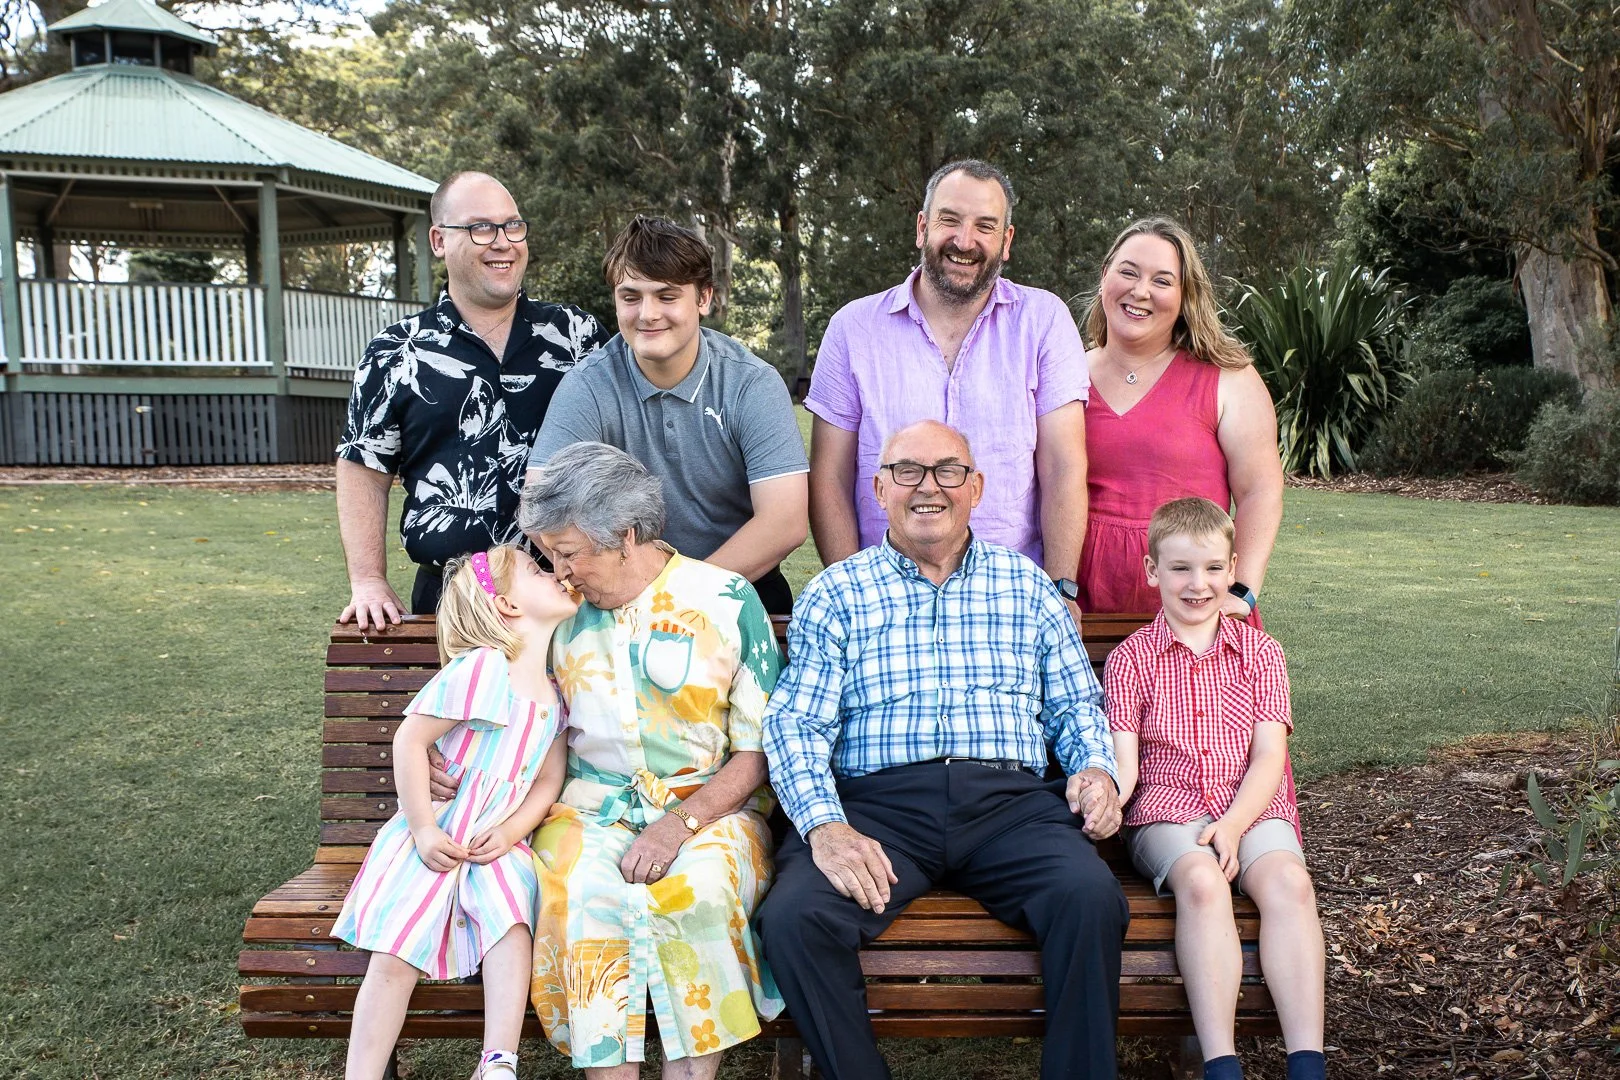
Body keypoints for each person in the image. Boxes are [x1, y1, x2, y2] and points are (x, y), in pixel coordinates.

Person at [757, 419, 1128, 1080]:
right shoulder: (838, 593)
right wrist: (824, 825)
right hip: (880, 812)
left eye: (948, 471)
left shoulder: (1027, 586)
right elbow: (797, 725)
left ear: (976, 487)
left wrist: (1095, 768)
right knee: (795, 917)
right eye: (907, 471)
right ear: (879, 488)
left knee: (1087, 896)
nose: (928, 487)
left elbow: (1075, 702)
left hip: (1009, 807)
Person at [518, 441, 785, 1075]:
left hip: (713, 810)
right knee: (586, 900)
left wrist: (681, 823)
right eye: (549, 555)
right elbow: (498, 704)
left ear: (625, 536)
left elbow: (757, 752)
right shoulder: (557, 615)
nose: (557, 572)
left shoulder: (723, 600)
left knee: (699, 894)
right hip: (585, 809)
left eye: (569, 552)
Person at [331, 545, 578, 1080]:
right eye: (538, 570)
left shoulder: (554, 693)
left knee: (511, 923)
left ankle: (497, 1062)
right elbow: (409, 740)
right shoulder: (484, 669)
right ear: (508, 606)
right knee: (396, 953)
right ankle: (362, 1073)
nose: (556, 573)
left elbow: (548, 778)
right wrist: (421, 826)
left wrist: (512, 830)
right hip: (439, 834)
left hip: (497, 841)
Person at [1105, 498, 1323, 1080]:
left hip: (1250, 807)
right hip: (1166, 814)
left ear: (1232, 572)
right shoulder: (1130, 661)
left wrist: (1230, 825)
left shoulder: (1260, 653)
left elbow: (1269, 756)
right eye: (1179, 568)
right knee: (1202, 884)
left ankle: (1307, 1062)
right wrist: (1104, 795)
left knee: (1288, 882)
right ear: (1152, 571)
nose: (1196, 584)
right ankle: (1221, 1065)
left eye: (1210, 568)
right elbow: (1126, 767)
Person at [803, 159, 1089, 599]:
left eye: (985, 226)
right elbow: (830, 477)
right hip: (884, 596)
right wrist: (853, 596)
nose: (964, 241)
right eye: (949, 220)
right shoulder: (853, 329)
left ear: (1006, 241)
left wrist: (1061, 590)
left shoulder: (1044, 321)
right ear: (922, 227)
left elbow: (1063, 469)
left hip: (1011, 597)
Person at [336, 170, 610, 628]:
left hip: (570, 594)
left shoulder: (576, 336)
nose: (503, 241)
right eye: (481, 228)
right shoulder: (396, 352)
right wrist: (367, 579)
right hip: (456, 600)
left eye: (513, 226)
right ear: (439, 240)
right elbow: (364, 467)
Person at [527, 215, 808, 615]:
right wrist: (628, 588)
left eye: (667, 296)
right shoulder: (587, 385)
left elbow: (785, 520)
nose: (648, 314)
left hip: (740, 589)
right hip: (618, 596)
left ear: (704, 298)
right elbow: (541, 508)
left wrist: (675, 596)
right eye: (630, 297)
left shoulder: (751, 384)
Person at [1077, 217, 1283, 623]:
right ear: (1105, 276)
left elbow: (1261, 491)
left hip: (1196, 605)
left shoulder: (1228, 377)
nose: (1140, 291)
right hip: (1085, 604)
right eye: (1128, 272)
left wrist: (1242, 590)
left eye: (1162, 280)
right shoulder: (1065, 376)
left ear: (1185, 294)